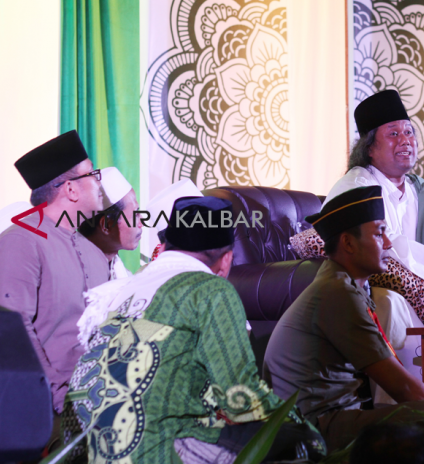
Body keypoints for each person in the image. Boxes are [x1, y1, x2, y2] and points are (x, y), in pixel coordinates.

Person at [69, 196, 325, 463]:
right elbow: (240, 395)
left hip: (84, 444)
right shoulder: (209, 289)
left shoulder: (120, 289)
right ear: (226, 260)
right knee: (302, 441)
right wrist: (296, 419)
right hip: (149, 446)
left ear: (165, 246)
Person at [263, 186, 424, 451]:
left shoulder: (343, 284)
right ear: (348, 242)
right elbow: (401, 386)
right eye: (379, 233)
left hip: (328, 418)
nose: (388, 243)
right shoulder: (336, 293)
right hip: (313, 428)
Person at [0, 130, 109, 419]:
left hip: (99, 402)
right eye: (92, 174)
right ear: (71, 189)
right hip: (44, 411)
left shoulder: (95, 255)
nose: (100, 183)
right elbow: (13, 329)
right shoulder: (21, 241)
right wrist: (59, 397)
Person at [326, 89, 424, 284]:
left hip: (422, 300)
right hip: (375, 294)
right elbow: (384, 246)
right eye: (393, 133)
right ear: (369, 147)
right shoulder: (356, 187)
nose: (405, 141)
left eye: (409, 132)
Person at [78, 167, 141, 279]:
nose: (141, 223)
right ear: (106, 225)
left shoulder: (119, 271)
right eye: (135, 214)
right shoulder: (76, 276)